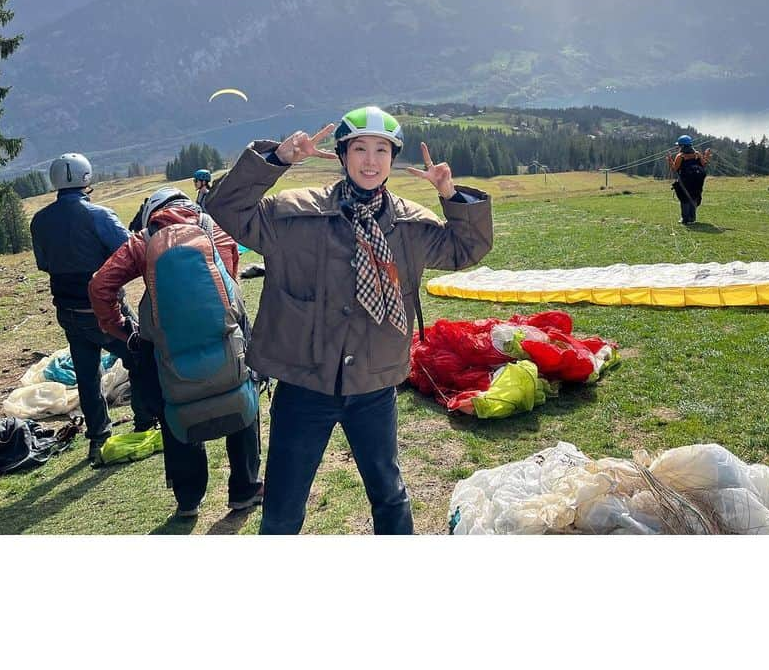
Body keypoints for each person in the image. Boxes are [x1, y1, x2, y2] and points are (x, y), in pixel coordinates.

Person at [205, 105, 493, 535]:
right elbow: (226, 209)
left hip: (374, 388)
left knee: (390, 497)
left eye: (382, 150)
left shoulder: (409, 226)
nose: (371, 161)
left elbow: (465, 249)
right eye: (360, 148)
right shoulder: (293, 215)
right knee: (283, 508)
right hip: (304, 385)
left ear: (393, 160)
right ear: (342, 154)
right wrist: (276, 160)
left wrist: (451, 197)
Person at [88, 185, 263, 519]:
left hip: (167, 345)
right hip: (225, 339)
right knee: (242, 397)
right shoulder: (216, 231)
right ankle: (245, 487)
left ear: (152, 211)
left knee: (176, 408)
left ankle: (188, 499)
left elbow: (100, 285)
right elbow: (231, 287)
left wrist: (122, 329)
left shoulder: (143, 241)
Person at [29, 153, 156, 463]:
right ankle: (144, 423)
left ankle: (98, 438)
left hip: (67, 310)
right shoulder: (99, 215)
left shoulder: (40, 220)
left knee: (87, 373)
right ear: (86, 179)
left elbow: (44, 263)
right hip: (104, 310)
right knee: (139, 356)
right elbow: (131, 254)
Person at [668, 135, 713, 225]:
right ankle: (692, 218)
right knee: (694, 196)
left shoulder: (680, 156)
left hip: (685, 180)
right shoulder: (697, 154)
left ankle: (685, 219)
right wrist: (706, 156)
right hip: (698, 180)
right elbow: (704, 164)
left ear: (682, 146)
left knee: (684, 198)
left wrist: (669, 160)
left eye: (679, 145)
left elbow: (675, 168)